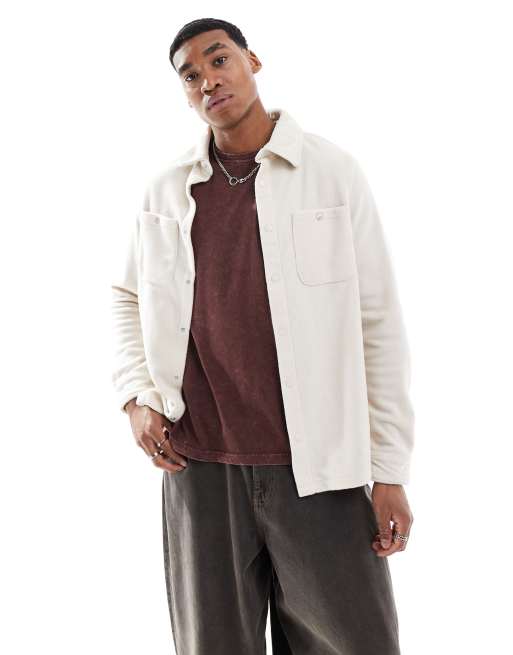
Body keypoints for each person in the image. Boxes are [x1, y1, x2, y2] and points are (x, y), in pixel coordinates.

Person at [111, 16, 415, 655]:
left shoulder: (331, 172)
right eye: (190, 75)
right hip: (200, 470)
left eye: (218, 59)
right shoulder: (167, 190)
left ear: (252, 61)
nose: (208, 80)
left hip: (319, 469)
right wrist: (137, 396)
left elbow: (377, 321)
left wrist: (388, 471)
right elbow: (127, 295)